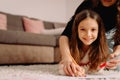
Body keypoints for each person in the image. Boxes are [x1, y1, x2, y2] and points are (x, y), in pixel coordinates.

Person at [59, 0, 120, 77]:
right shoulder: (88, 4)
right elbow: (66, 34)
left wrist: (116, 54)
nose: (88, 34)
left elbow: (118, 42)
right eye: (83, 29)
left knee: (116, 69)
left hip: (107, 43)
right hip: (89, 42)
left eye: (93, 29)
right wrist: (67, 58)